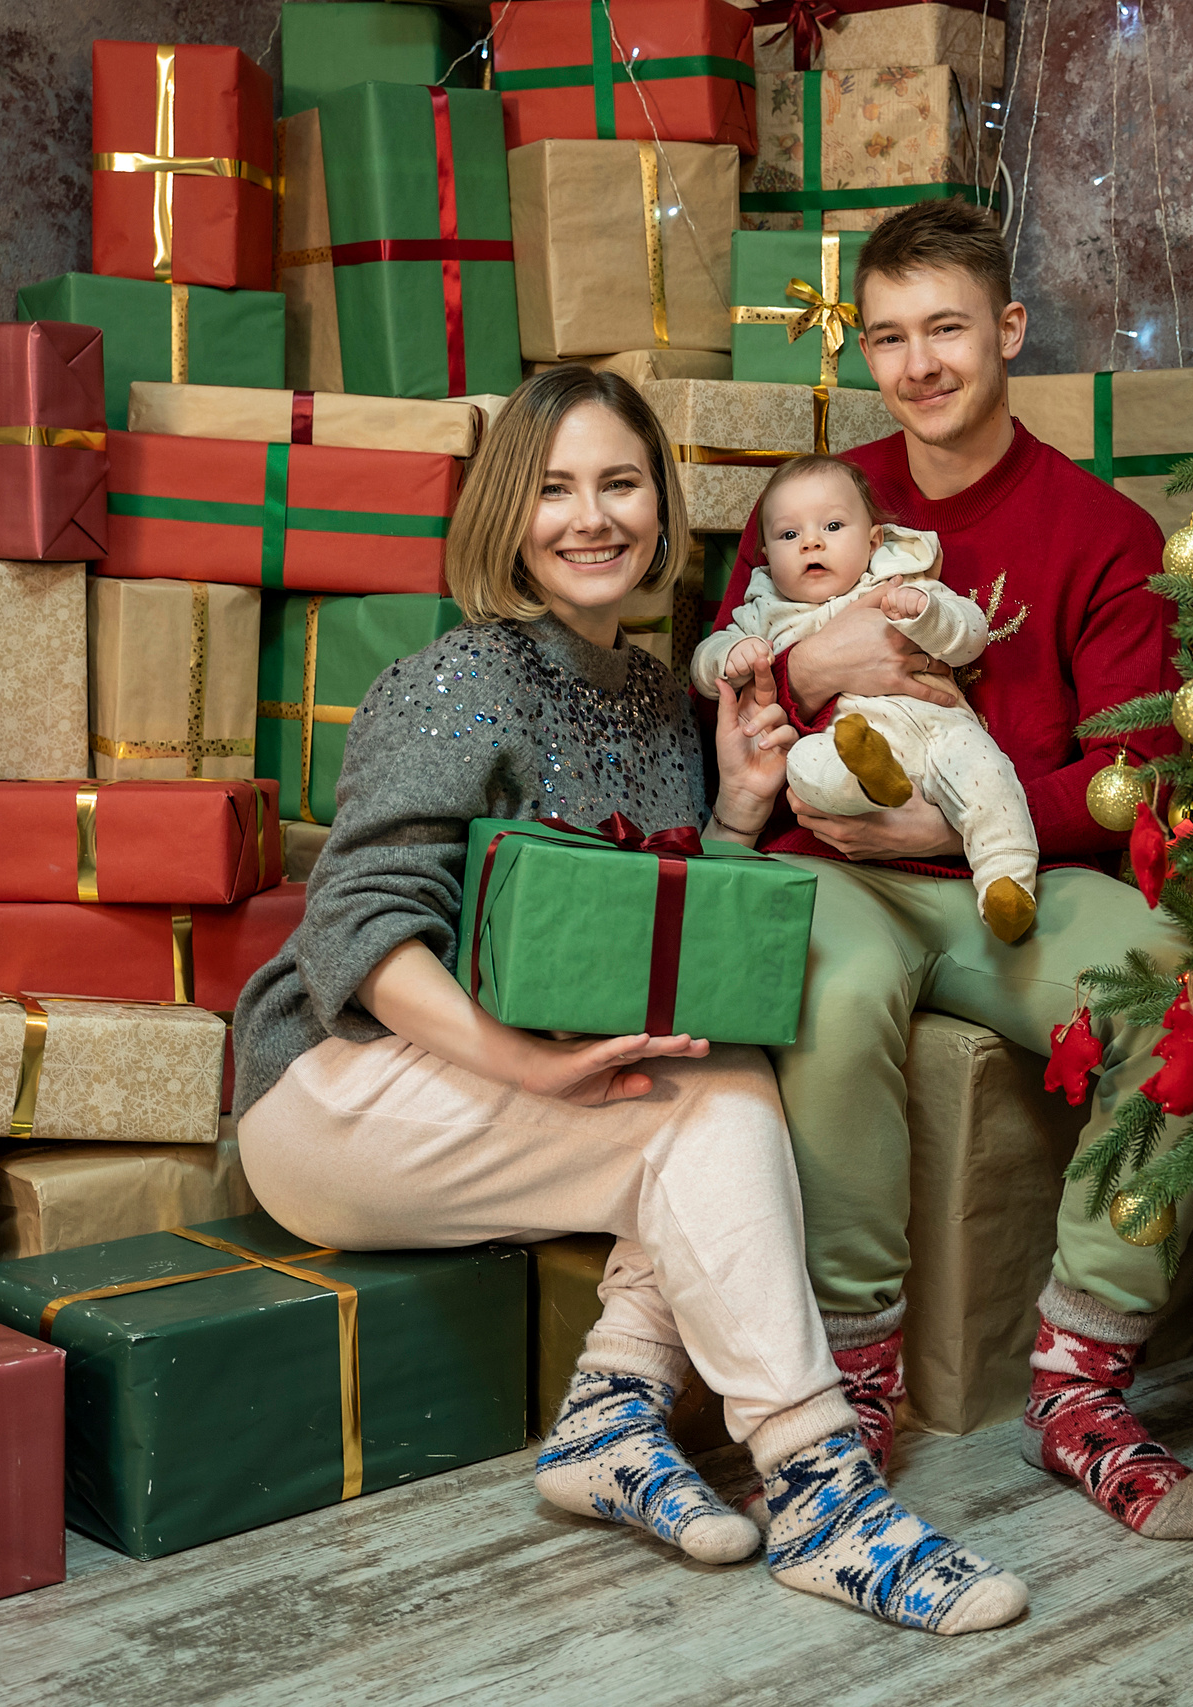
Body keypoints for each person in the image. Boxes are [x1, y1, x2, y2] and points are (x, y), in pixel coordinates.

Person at [231, 365, 1027, 1635]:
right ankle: (823, 1490)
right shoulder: (455, 677)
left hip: (496, 1089)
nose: (589, 517)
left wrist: (735, 810)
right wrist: (524, 1063)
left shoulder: (668, 697)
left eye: (619, 483)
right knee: (704, 1104)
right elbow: (361, 934)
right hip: (337, 1091)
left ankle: (610, 1414)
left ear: (662, 509)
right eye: (552, 490)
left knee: (715, 1063)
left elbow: (657, 944)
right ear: (506, 518)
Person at [716, 201, 1193, 1540]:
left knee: (1180, 996)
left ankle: (1080, 1378)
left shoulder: (1100, 530)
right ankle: (852, 1378)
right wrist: (815, 664)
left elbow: (1133, 771)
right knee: (825, 982)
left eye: (946, 329)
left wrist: (961, 830)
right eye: (889, 336)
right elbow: (734, 666)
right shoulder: (824, 501)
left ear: (1007, 330)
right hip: (840, 864)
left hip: (1014, 866)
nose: (920, 363)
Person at [690, 454, 1038, 943]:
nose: (811, 541)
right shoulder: (765, 613)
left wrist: (926, 614)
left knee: (986, 772)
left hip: (941, 731)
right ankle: (869, 783)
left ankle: (1006, 882)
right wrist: (729, 656)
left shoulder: (902, 582)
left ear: (873, 539)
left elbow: (970, 633)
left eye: (832, 526)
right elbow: (704, 669)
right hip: (850, 743)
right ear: (766, 553)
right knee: (807, 764)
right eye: (789, 535)